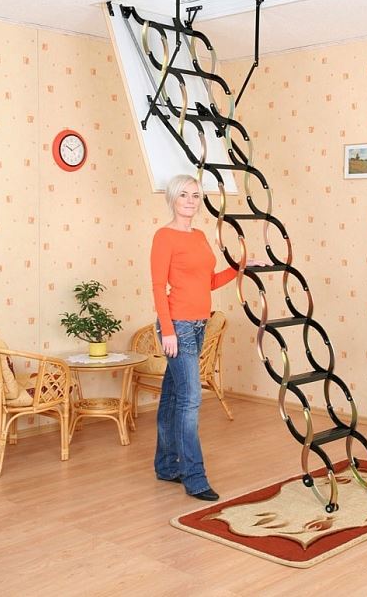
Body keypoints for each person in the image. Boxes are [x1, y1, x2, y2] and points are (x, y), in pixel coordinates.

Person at [150, 174, 238, 501]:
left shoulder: (199, 236)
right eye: (183, 195)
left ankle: (165, 465)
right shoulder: (164, 236)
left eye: (195, 195)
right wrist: (168, 330)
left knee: (173, 396)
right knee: (190, 399)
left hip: (199, 323)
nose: (190, 200)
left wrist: (240, 267)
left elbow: (209, 282)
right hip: (179, 326)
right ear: (172, 199)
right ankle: (194, 477)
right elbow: (158, 286)